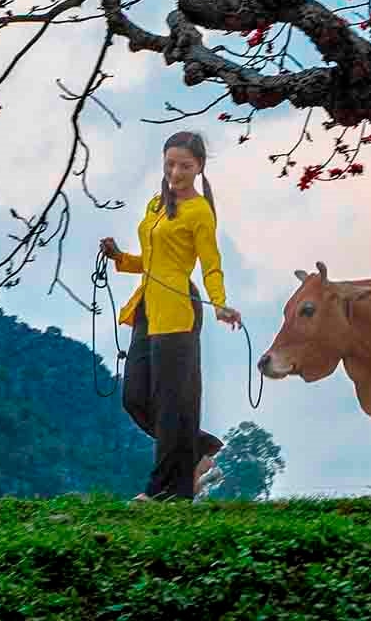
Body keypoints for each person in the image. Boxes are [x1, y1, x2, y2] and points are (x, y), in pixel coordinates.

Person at [100, 130, 241, 501]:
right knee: (134, 397)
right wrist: (119, 258)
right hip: (148, 306)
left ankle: (163, 492)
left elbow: (211, 264)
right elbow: (153, 261)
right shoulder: (154, 206)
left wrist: (221, 301)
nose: (176, 173)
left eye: (185, 166)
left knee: (171, 404)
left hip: (179, 311)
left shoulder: (200, 212)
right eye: (170, 164)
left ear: (198, 169)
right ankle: (198, 451)